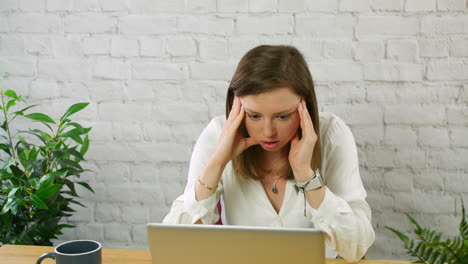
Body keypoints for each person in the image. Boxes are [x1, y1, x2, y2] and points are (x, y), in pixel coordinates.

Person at [162, 45, 375, 262]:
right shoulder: (219, 134)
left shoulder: (332, 134)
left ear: (306, 107)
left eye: (283, 116)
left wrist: (306, 175)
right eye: (254, 116)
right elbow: (173, 247)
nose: (268, 132)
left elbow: (356, 247)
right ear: (237, 105)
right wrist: (217, 162)